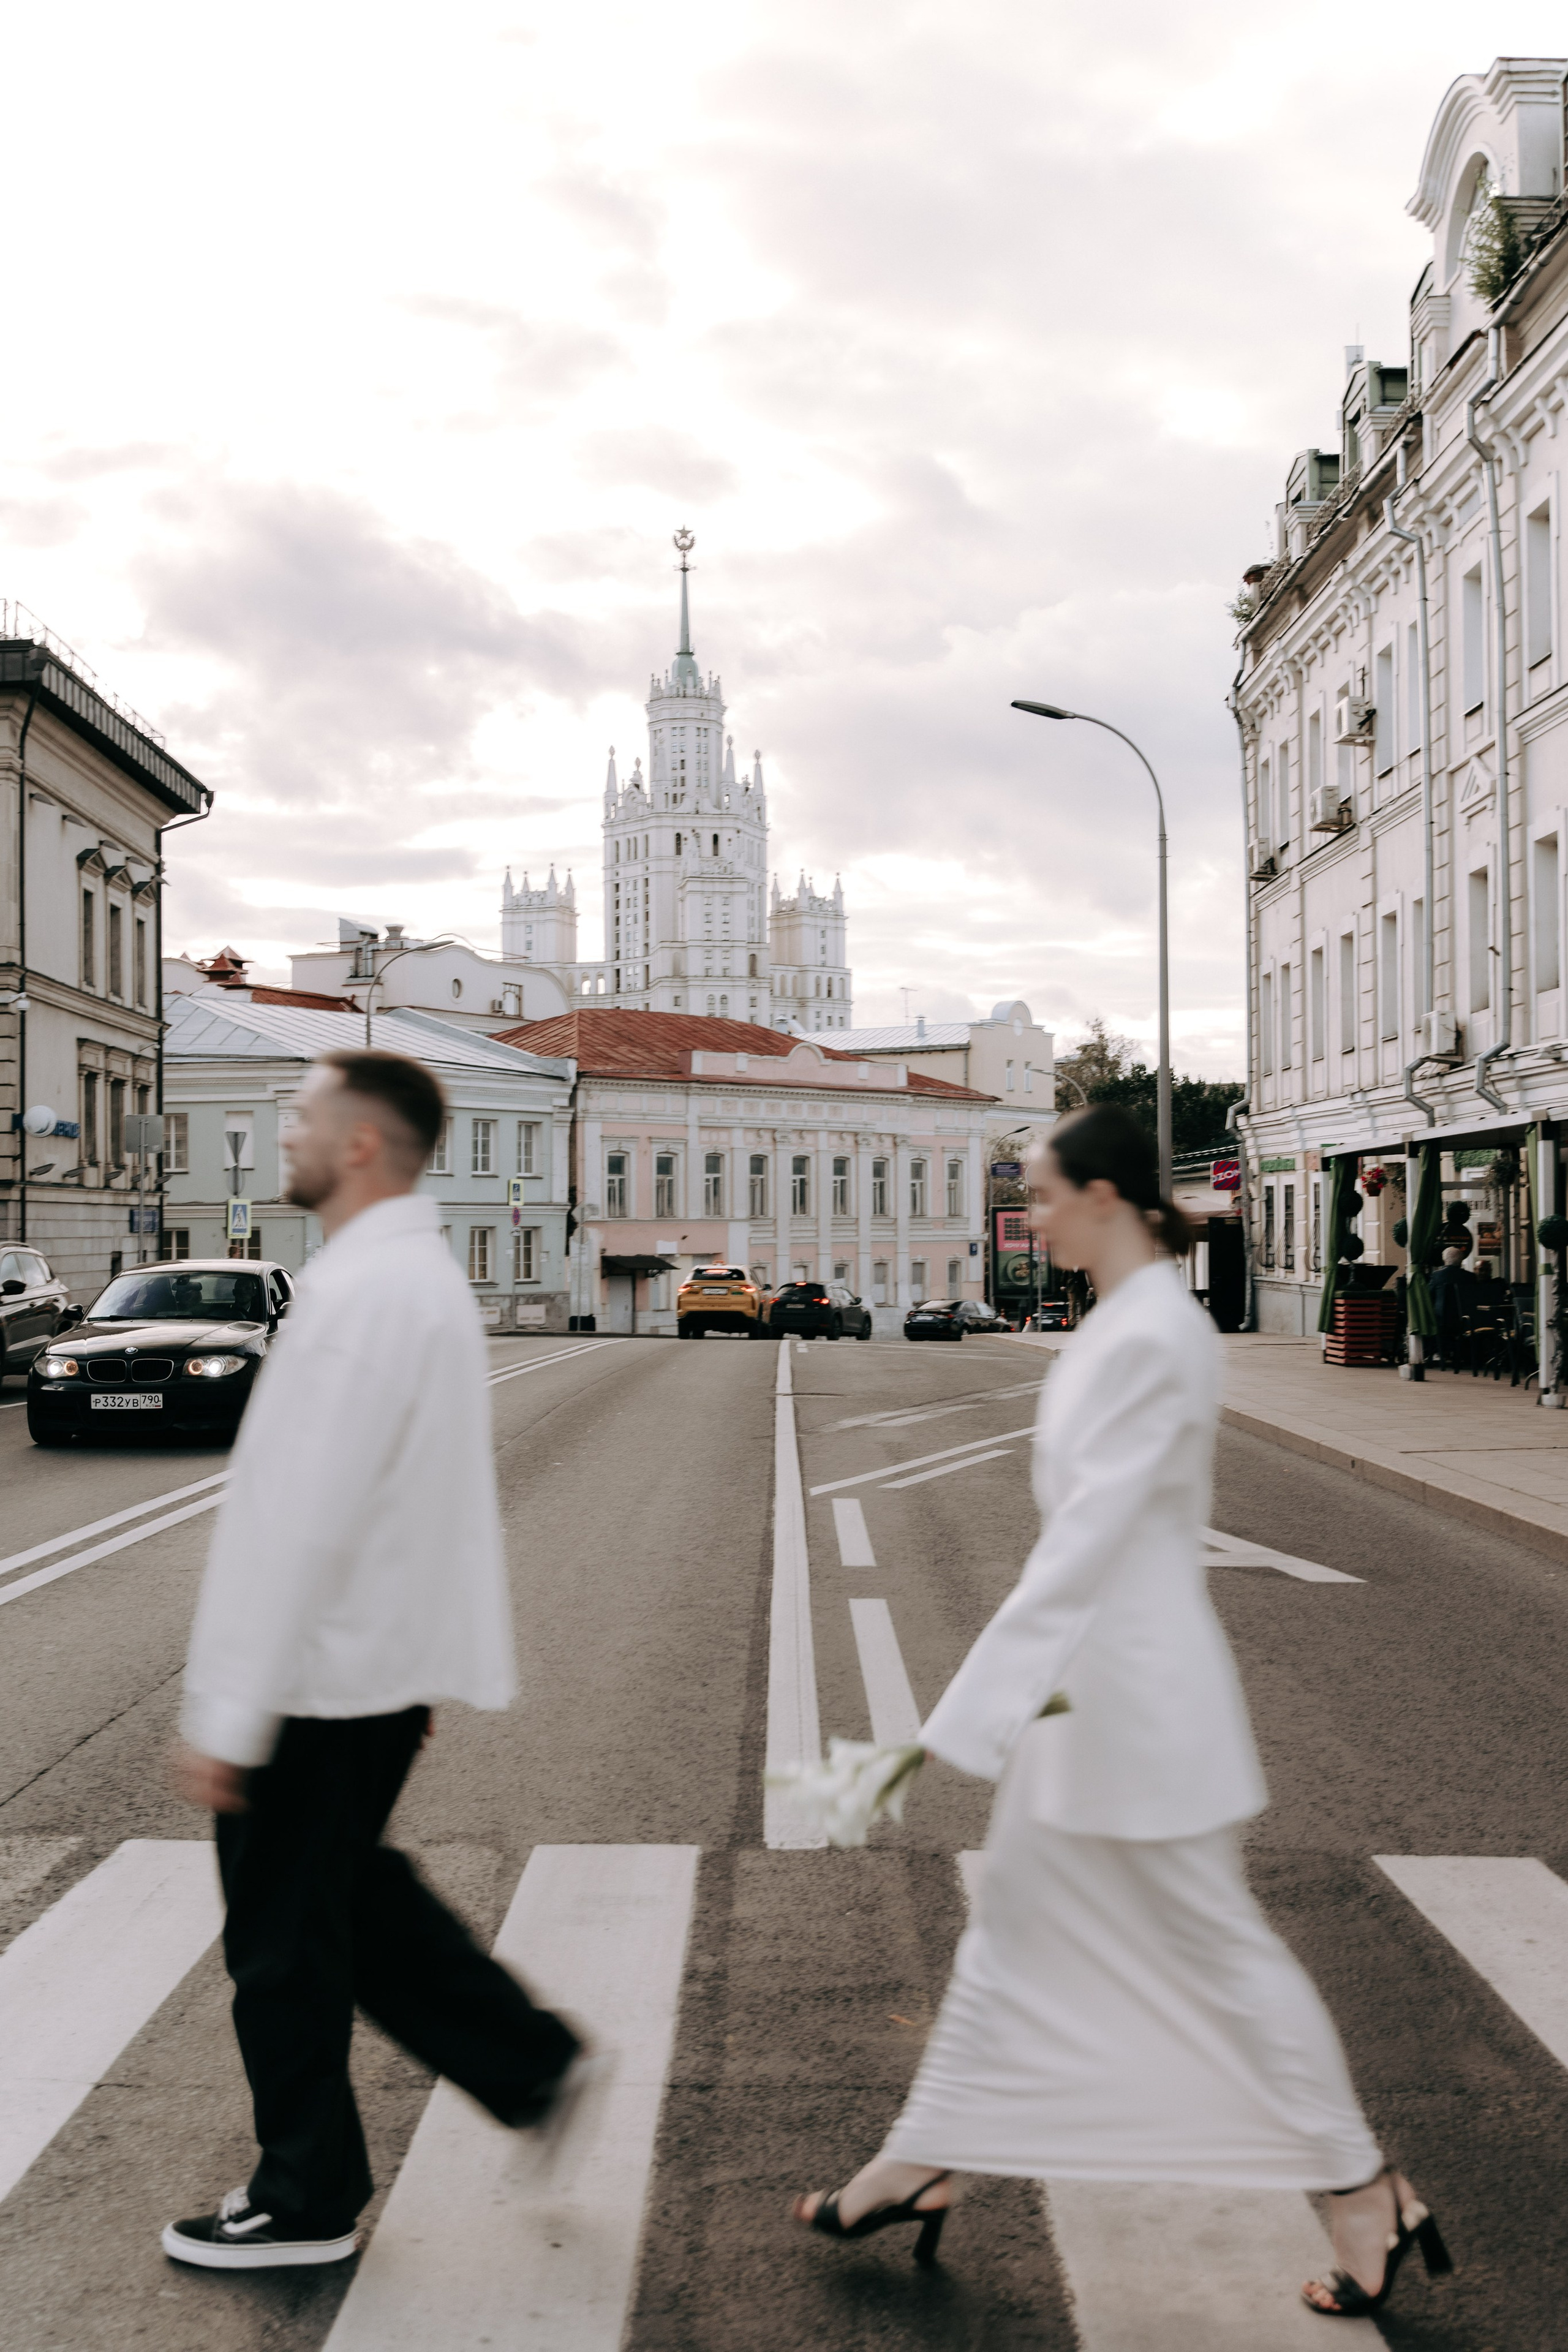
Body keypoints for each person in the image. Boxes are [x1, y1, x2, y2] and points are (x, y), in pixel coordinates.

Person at [791, 1104, 1450, 2321]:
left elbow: (1086, 1543)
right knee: (1010, 1936)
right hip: (1089, 1695)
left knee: (1219, 1956)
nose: (1030, 1218)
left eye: (1042, 1196)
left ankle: (1364, 2192)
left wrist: (949, 1725)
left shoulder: (1150, 1333)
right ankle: (920, 2162)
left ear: (1103, 1198)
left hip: (1133, 1701)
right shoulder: (1127, 1321)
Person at [163, 1049, 583, 2271]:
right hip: (363, 1669)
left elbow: (304, 1521)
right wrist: (413, 1660)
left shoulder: (362, 1294)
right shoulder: (411, 1276)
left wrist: (228, 1715)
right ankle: (528, 2063)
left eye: (299, 1115)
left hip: (313, 1679)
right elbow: (425, 1494)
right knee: (347, 1900)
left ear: (357, 1143)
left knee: (283, 1948)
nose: (280, 1132)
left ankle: (306, 2198)